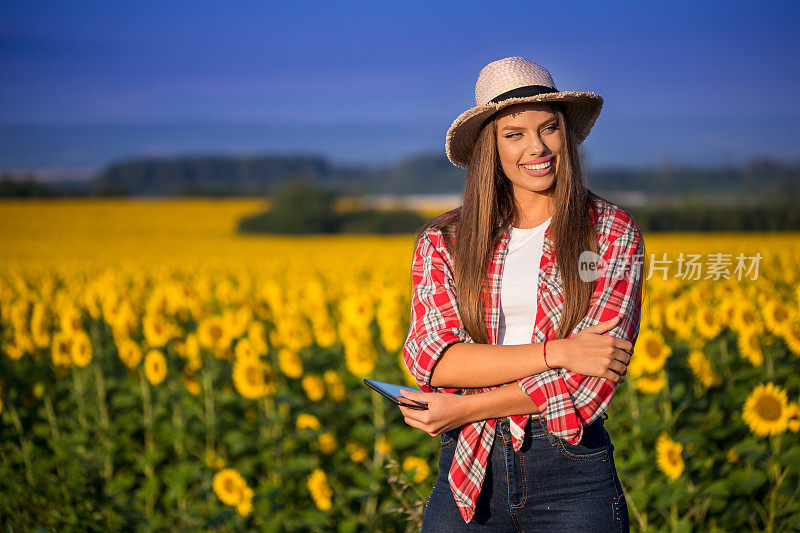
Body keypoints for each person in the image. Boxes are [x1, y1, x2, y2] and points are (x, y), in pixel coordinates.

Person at [398, 56, 644, 531]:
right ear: (491, 147)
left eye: (548, 128)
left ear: (565, 135)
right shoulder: (444, 240)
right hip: (468, 469)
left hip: (572, 472)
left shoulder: (612, 232)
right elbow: (434, 360)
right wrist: (559, 352)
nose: (537, 147)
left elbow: (590, 381)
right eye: (514, 134)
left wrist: (466, 405)